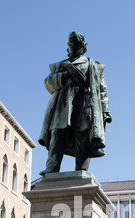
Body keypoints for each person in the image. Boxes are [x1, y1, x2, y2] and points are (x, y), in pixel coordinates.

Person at [38, 31, 112, 175]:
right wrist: (63, 77)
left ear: (80, 46)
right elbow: (48, 83)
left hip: (84, 105)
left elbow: (102, 90)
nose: (68, 48)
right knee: (57, 135)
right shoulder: (61, 66)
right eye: (68, 44)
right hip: (62, 106)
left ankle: (81, 169)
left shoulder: (93, 65)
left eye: (70, 44)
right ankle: (52, 166)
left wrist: (105, 111)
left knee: (82, 137)